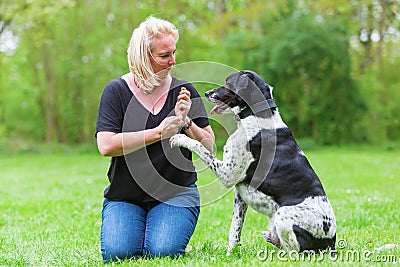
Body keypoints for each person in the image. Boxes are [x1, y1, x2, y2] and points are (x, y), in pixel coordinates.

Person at [95, 16, 215, 263]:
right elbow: (106, 145)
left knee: (164, 252)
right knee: (119, 254)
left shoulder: (184, 91)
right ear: (143, 57)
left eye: (173, 52)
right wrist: (159, 133)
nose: (173, 61)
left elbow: (209, 146)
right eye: (164, 56)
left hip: (177, 194)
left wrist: (186, 123)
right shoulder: (116, 91)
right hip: (125, 196)